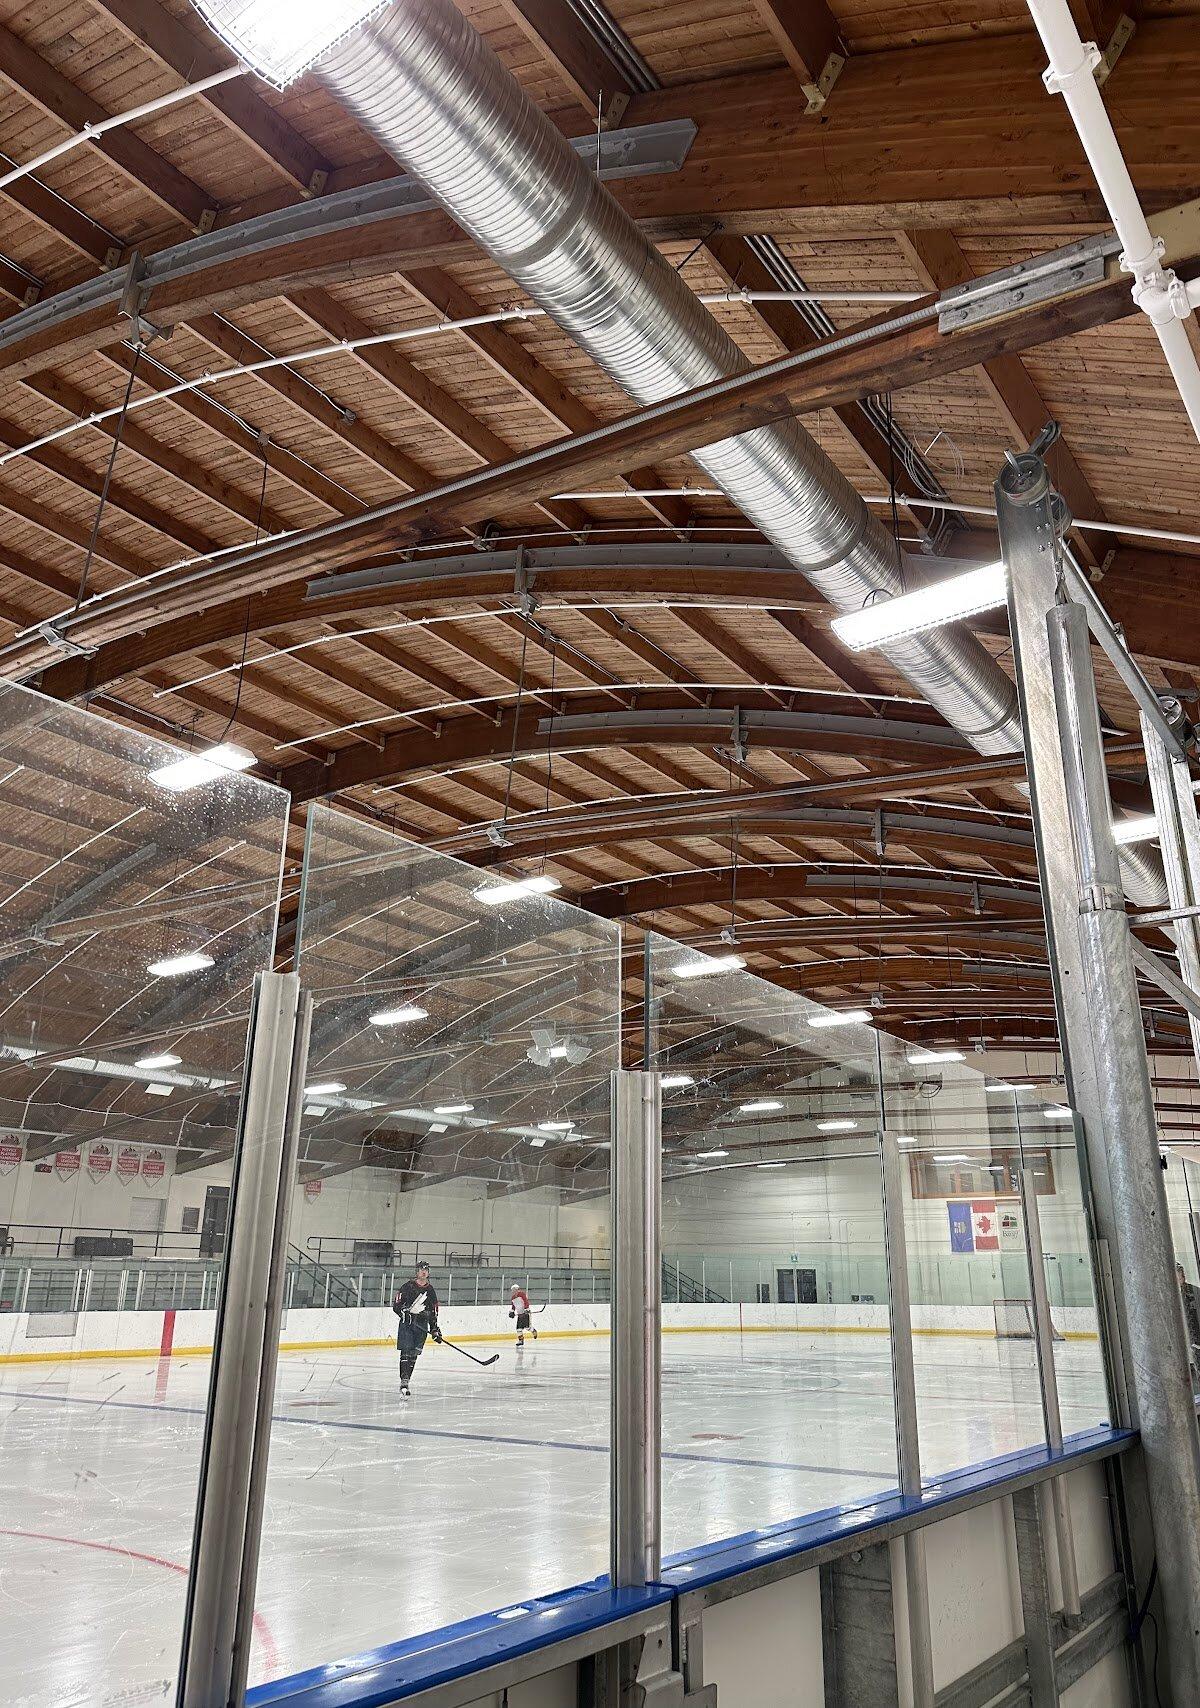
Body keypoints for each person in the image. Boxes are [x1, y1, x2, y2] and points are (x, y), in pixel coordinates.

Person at [392, 1261, 442, 1397]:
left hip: (421, 1326)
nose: (424, 1272)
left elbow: (433, 1312)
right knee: (406, 1351)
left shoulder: (430, 1291)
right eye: (421, 1269)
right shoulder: (407, 1287)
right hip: (407, 1325)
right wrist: (404, 1313)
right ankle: (404, 1381)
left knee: (414, 1354)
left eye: (426, 1269)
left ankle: (406, 1380)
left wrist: (435, 1329)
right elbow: (397, 1305)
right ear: (416, 1272)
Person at [509, 1282, 537, 1347]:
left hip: (525, 1313)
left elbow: (526, 1301)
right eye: (512, 1290)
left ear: (517, 1289)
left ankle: (534, 1331)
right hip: (520, 1315)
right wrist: (512, 1312)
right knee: (518, 1328)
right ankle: (521, 1340)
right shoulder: (513, 1298)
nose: (513, 1291)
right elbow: (513, 1306)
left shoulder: (522, 1294)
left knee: (527, 1327)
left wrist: (526, 1309)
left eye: (514, 1290)